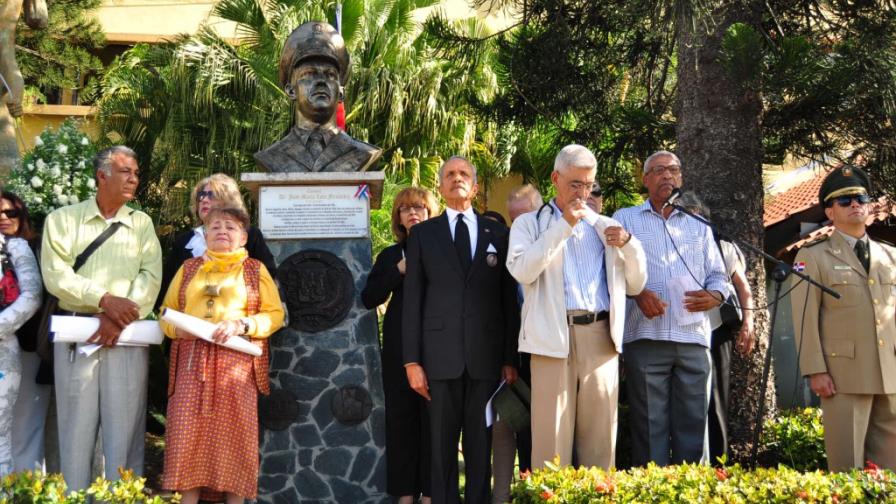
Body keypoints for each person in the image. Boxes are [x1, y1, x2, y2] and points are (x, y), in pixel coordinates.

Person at [507, 145, 647, 470]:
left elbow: (637, 283)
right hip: (550, 338)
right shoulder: (530, 224)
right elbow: (522, 270)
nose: (582, 193)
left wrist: (629, 245)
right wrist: (563, 226)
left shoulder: (606, 226)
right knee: (549, 441)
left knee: (600, 438)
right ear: (555, 179)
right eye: (575, 184)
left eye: (588, 185)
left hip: (599, 336)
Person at [41, 145, 163, 491]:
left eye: (137, 174)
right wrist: (105, 301)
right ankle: (75, 497)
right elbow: (56, 276)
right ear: (102, 175)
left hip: (127, 339)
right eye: (127, 172)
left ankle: (120, 499)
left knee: (124, 433)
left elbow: (150, 278)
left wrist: (117, 318)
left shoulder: (141, 224)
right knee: (75, 431)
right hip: (79, 337)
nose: (134, 179)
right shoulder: (62, 220)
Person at [403, 156, 520, 504]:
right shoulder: (423, 234)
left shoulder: (497, 233)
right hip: (438, 361)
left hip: (485, 360)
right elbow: (413, 302)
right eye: (450, 174)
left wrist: (509, 357)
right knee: (440, 447)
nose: (457, 179)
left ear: (476, 185)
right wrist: (412, 362)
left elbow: (507, 302)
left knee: (480, 445)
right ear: (440, 186)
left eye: (464, 174)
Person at [160, 206, 284, 503]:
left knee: (235, 441)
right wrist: (182, 331)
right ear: (204, 235)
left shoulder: (255, 270)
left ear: (243, 237)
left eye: (230, 227)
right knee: (186, 439)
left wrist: (242, 324)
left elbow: (274, 315)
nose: (222, 232)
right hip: (191, 363)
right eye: (215, 227)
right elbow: (165, 316)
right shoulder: (188, 268)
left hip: (237, 366)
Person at [612, 150, 728, 466]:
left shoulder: (699, 224)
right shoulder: (625, 218)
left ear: (681, 178)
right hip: (645, 336)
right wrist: (638, 294)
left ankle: (692, 494)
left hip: (693, 338)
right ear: (645, 179)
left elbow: (719, 274)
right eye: (659, 170)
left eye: (673, 169)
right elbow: (612, 271)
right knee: (650, 429)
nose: (667, 175)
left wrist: (716, 294)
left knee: (695, 426)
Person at [790, 165, 896, 471]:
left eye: (861, 198)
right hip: (842, 375)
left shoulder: (890, 255)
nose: (855, 205)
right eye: (845, 200)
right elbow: (805, 317)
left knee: (889, 470)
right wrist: (814, 370)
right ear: (829, 212)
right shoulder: (812, 256)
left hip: (889, 373)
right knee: (847, 467)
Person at [362, 187, 439, 504]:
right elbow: (369, 297)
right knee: (401, 422)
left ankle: (432, 494)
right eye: (405, 208)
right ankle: (405, 495)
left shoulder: (443, 251)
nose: (412, 212)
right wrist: (398, 272)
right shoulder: (391, 256)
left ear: (431, 212)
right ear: (398, 217)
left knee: (434, 422)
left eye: (419, 207)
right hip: (398, 349)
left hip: (437, 347)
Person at [677, 191, 756, 462]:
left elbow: (743, 289)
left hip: (715, 332)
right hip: (678, 332)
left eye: (692, 215)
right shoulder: (665, 246)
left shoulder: (723, 246)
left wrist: (749, 323)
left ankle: (719, 466)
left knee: (715, 401)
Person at [254, 21, 382, 172]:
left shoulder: (364, 154)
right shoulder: (271, 157)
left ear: (340, 93)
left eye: (330, 75)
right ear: (291, 91)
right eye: (309, 74)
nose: (321, 80)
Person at [488, 185, 541, 504]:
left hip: (549, 356)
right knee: (506, 429)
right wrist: (507, 358)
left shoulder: (556, 245)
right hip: (511, 359)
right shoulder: (504, 254)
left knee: (541, 436)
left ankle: (537, 493)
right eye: (514, 219)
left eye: (525, 217)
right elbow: (503, 311)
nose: (519, 224)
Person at [159, 173, 276, 309]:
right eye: (201, 195)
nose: (204, 200)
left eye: (212, 195)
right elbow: (167, 290)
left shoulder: (250, 235)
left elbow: (269, 277)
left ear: (229, 201)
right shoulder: (183, 241)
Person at [3, 192, 54, 473]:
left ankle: (24, 487)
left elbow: (38, 296)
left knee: (26, 425)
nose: (4, 218)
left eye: (11, 213)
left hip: (28, 347)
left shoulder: (33, 247)